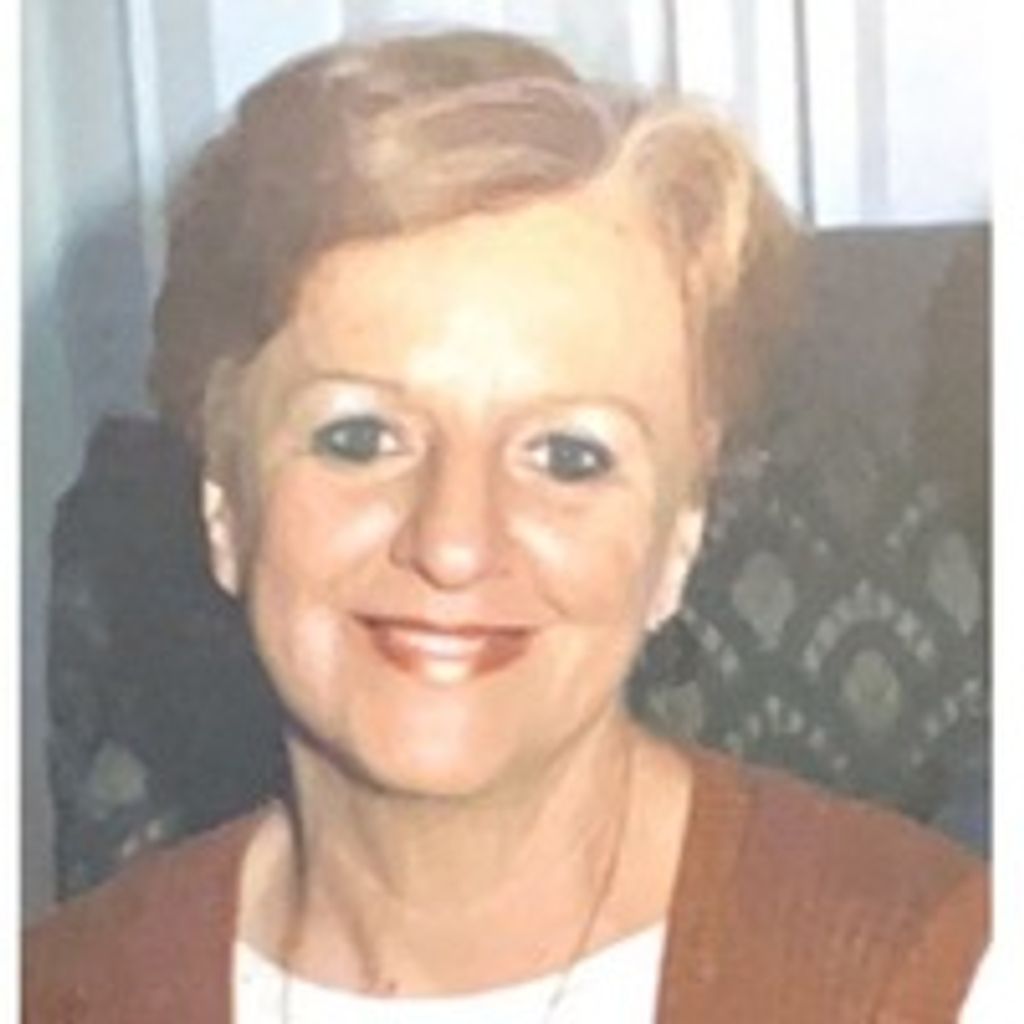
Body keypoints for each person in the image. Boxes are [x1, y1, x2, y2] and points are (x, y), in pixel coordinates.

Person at [24, 29, 987, 1023]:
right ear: (225, 502)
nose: (454, 543)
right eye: (359, 437)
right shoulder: (60, 991)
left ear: (679, 535)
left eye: (568, 456)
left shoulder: (939, 977)